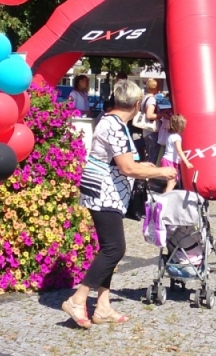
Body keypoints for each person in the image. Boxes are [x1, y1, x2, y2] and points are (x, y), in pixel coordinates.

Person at [62, 80, 177, 328]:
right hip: (104, 193)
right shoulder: (114, 126)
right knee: (114, 249)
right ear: (137, 105)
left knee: (109, 248)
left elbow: (121, 161)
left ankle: (102, 306)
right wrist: (159, 172)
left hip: (109, 192)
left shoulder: (112, 121)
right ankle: (78, 298)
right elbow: (126, 167)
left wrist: (144, 167)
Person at [161, 114, 194, 192]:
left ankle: (163, 196)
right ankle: (165, 201)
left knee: (172, 183)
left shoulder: (170, 135)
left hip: (167, 160)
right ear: (180, 126)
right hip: (170, 161)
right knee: (171, 184)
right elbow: (179, 150)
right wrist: (187, 162)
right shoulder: (176, 137)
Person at [142, 79, 160, 164]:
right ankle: (147, 176)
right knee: (152, 157)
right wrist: (162, 115)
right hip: (152, 130)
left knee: (148, 154)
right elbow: (149, 115)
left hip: (145, 130)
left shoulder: (145, 97)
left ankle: (144, 175)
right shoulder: (152, 100)